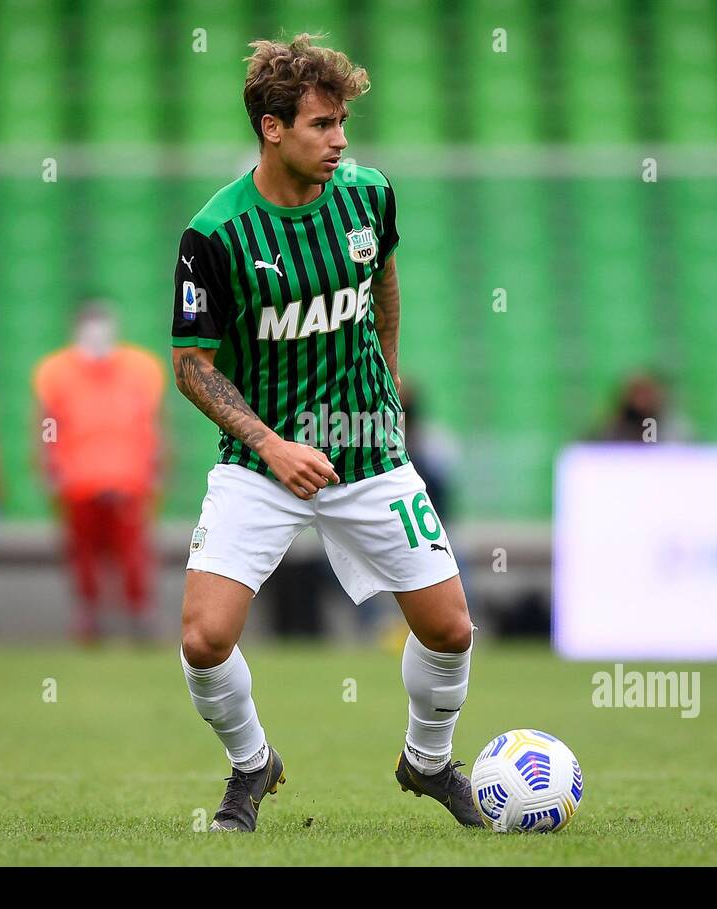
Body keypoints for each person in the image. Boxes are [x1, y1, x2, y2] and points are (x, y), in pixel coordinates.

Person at [170, 33, 478, 832]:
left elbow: (383, 282)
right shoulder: (214, 235)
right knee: (204, 639)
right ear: (273, 129)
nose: (340, 140)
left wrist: (388, 381)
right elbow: (192, 367)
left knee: (450, 628)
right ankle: (251, 767)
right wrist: (271, 444)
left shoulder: (369, 194)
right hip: (260, 456)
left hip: (367, 447)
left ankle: (429, 760)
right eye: (322, 124)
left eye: (343, 123)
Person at [33, 300, 166, 642]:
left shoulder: (140, 369)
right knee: (83, 555)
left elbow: (154, 424)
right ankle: (90, 616)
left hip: (128, 478)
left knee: (133, 552)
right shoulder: (56, 372)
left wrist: (155, 466)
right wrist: (51, 467)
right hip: (78, 480)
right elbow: (47, 424)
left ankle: (139, 613)